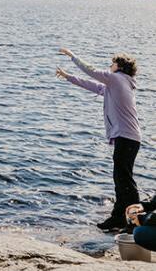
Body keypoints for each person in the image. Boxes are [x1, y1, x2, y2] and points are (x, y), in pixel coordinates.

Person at [56, 49, 141, 231]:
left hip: (127, 137)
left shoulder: (117, 79)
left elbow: (91, 71)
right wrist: (67, 76)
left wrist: (73, 56)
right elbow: (91, 84)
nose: (110, 66)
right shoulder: (118, 84)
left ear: (119, 66)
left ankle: (135, 219)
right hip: (127, 138)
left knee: (124, 180)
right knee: (121, 178)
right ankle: (120, 218)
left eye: (112, 63)